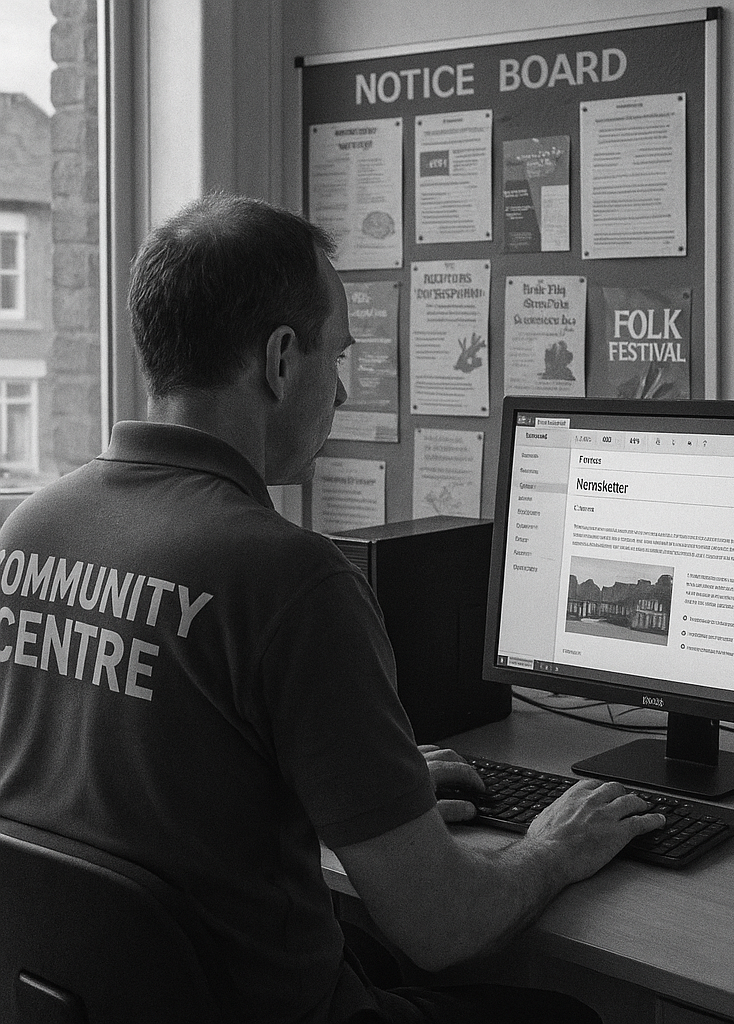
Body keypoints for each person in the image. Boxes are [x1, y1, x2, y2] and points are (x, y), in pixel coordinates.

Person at [0, 193, 664, 1024]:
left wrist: (345, 791)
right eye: (337, 354)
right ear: (280, 361)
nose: (342, 390)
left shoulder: (29, 530)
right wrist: (553, 848)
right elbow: (444, 926)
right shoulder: (290, 580)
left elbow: (152, 795)